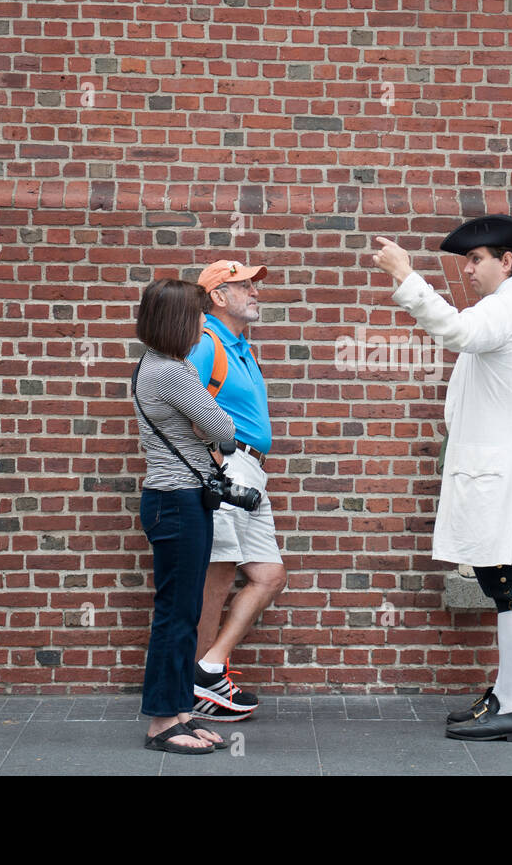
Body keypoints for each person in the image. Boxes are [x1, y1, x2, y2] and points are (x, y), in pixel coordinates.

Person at [372, 214, 512, 742]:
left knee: (508, 583)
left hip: (500, 473)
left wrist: (407, 277)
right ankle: (505, 694)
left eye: (476, 260)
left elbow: (456, 332)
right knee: (501, 581)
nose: (469, 270)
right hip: (501, 469)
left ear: (507, 260)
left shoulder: (511, 306)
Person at [133, 278, 237, 754]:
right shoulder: (174, 373)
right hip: (179, 502)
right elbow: (224, 429)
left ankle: (179, 713)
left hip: (173, 501)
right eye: (197, 315)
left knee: (184, 612)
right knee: (176, 615)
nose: (203, 323)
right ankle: (160, 723)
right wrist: (215, 428)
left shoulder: (152, 367)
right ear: (178, 320)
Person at [184, 259, 286, 722]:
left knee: (268, 576)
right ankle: (198, 686)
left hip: (251, 471)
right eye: (243, 286)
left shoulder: (239, 347)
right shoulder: (207, 342)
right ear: (218, 297)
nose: (254, 292)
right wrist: (216, 460)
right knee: (217, 578)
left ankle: (207, 668)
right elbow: (179, 401)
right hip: (229, 466)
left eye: (253, 285)